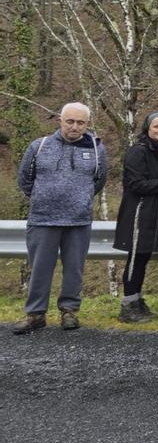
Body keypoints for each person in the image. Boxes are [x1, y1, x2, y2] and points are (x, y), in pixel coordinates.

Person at [14, 102, 108, 335]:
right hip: (42, 219)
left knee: (74, 269)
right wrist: (42, 198)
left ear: (87, 124)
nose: (74, 127)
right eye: (70, 121)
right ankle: (35, 315)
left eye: (80, 122)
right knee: (39, 269)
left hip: (78, 221)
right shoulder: (39, 146)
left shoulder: (96, 150)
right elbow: (25, 179)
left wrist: (81, 199)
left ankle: (69, 312)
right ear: (60, 120)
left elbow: (99, 180)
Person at [113, 112, 158, 323]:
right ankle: (128, 305)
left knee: (143, 258)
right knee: (136, 258)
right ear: (147, 128)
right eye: (157, 126)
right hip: (139, 213)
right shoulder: (138, 152)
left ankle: (137, 301)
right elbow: (135, 185)